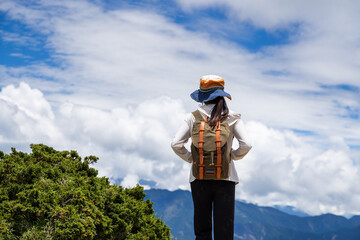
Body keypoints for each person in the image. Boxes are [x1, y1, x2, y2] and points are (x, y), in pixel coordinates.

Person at [171, 75, 252, 240]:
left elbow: (176, 144)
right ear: (221, 94)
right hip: (226, 176)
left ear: (202, 96)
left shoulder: (193, 117)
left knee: (202, 229)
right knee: (225, 230)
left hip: (198, 176)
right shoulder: (232, 117)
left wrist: (192, 158)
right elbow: (246, 145)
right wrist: (231, 156)